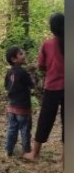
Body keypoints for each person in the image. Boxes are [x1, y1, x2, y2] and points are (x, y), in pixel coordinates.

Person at [24, 12, 64, 162]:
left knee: (45, 119)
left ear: (52, 28)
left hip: (52, 87)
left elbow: (41, 66)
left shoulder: (47, 44)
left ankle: (35, 154)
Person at [3, 46, 35, 157]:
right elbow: (32, 85)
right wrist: (32, 73)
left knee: (12, 129)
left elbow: (7, 87)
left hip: (12, 106)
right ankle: (26, 151)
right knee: (25, 130)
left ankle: (8, 150)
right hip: (23, 107)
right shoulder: (23, 73)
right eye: (21, 54)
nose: (24, 55)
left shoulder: (9, 72)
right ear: (14, 59)